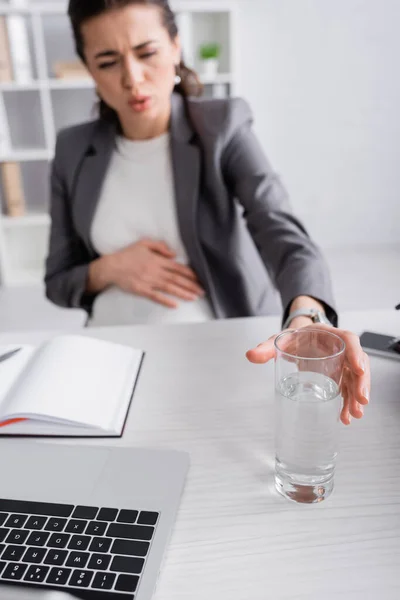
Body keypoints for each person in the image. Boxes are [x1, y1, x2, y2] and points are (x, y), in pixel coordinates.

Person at [45, 0, 370, 423]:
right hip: (109, 355)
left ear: (176, 47)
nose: (132, 78)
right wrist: (109, 269)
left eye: (147, 53)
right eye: (108, 62)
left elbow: (283, 233)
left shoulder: (223, 125)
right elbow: (57, 280)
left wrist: (306, 312)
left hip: (212, 350)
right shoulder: (73, 150)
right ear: (89, 68)